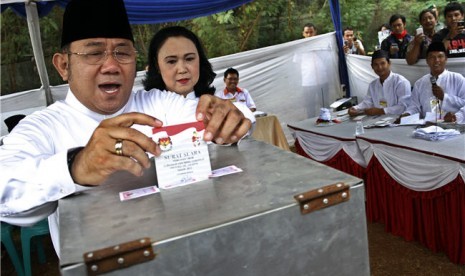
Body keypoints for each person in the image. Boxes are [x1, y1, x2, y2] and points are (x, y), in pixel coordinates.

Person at [0, 0, 253, 256]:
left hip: (182, 254)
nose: (111, 66)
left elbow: (230, 119)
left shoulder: (158, 104)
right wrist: (76, 166)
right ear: (63, 66)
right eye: (94, 53)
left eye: (122, 53)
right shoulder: (43, 127)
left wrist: (228, 117)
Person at [401, 41, 465, 119]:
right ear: (427, 61)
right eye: (432, 57)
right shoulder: (420, 83)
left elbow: (464, 103)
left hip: (452, 126)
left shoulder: (457, 79)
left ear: (446, 59)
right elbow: (414, 107)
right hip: (426, 127)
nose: (436, 60)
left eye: (440, 56)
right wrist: (406, 115)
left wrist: (444, 97)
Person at [348, 50, 410, 116]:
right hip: (377, 122)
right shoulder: (373, 85)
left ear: (389, 63)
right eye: (376, 65)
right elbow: (367, 102)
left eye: (382, 63)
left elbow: (404, 107)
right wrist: (355, 108)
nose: (379, 67)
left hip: (398, 121)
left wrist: (381, 111)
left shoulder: (401, 82)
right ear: (372, 66)